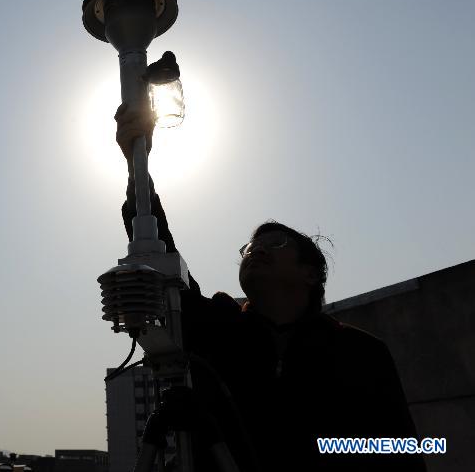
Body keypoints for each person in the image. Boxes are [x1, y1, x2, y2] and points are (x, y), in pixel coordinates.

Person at [114, 103, 426, 472]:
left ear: (311, 274)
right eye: (249, 247)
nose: (257, 249)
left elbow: (400, 453)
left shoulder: (360, 353)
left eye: (275, 244)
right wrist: (138, 162)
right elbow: (158, 252)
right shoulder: (218, 328)